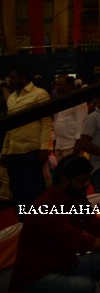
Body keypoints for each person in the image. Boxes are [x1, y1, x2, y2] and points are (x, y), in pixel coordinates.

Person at [9, 155, 100, 293]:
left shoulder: (76, 196)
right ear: (64, 181)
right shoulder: (46, 206)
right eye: (82, 181)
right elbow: (81, 242)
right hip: (35, 279)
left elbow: (96, 226)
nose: (87, 184)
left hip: (64, 265)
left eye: (88, 179)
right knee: (85, 286)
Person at [1, 69, 52, 214]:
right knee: (17, 191)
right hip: (13, 151)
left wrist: (44, 148)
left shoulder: (40, 94)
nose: (10, 80)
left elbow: (46, 123)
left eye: (13, 77)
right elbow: (9, 127)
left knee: (35, 190)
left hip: (32, 150)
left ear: (23, 78)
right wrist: (5, 151)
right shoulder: (11, 98)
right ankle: (24, 222)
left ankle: (41, 222)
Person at [52, 74, 87, 160]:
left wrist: (78, 143)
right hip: (59, 144)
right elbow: (56, 121)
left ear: (69, 85)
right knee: (62, 172)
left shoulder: (79, 99)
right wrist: (55, 139)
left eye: (60, 85)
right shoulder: (59, 100)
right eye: (56, 85)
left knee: (73, 172)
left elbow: (81, 122)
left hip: (72, 144)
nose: (57, 87)